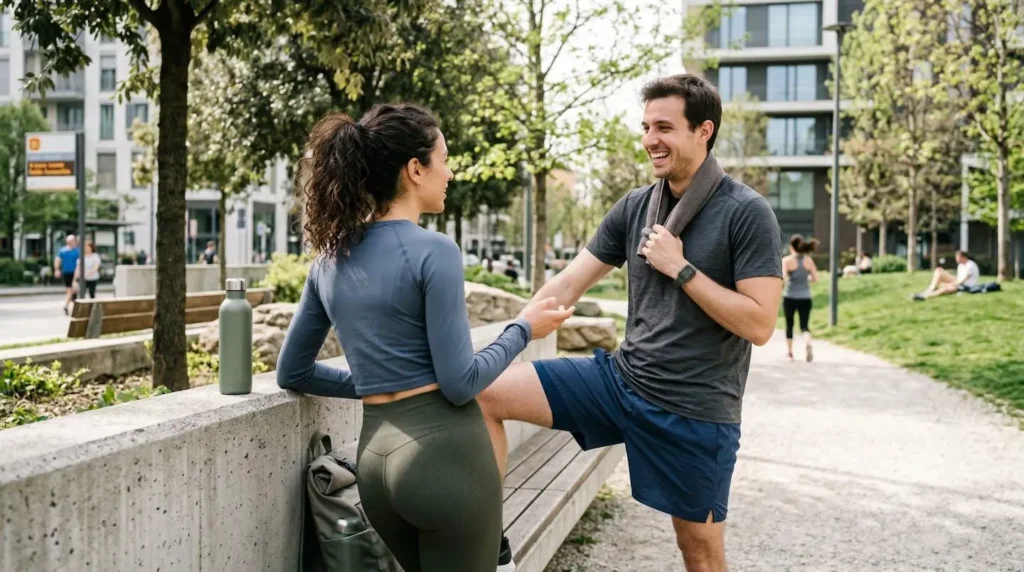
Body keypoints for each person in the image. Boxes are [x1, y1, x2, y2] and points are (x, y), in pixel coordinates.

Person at [476, 74, 783, 572]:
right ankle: (489, 553)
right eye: (645, 127)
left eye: (664, 127)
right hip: (620, 382)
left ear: (703, 131)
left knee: (700, 553)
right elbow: (568, 283)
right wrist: (510, 336)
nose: (649, 140)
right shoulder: (636, 206)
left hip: (694, 410)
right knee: (483, 392)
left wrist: (681, 268)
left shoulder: (746, 212)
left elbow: (760, 324)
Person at [275, 104, 574, 572]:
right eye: (444, 160)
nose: (450, 173)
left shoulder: (328, 262)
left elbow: (292, 371)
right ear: (415, 169)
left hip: (374, 466)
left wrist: (374, 384)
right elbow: (460, 382)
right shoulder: (435, 251)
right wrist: (523, 329)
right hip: (445, 459)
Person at [781, 234, 819, 362]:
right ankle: (808, 343)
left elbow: (783, 278)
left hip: (790, 297)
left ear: (791, 246)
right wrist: (804, 278)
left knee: (789, 325)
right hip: (805, 298)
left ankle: (790, 353)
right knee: (804, 326)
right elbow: (815, 279)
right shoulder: (809, 261)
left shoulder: (787, 260)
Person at [913, 250, 979, 300]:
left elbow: (963, 280)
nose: (956, 259)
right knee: (939, 270)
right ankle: (930, 289)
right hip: (958, 282)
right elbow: (958, 278)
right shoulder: (961, 265)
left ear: (963, 257)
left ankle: (925, 296)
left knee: (944, 289)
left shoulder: (970, 265)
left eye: (958, 257)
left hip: (966, 286)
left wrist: (950, 284)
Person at [54, 234, 80, 315]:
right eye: (70, 241)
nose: (72, 242)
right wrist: (57, 269)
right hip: (67, 273)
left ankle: (71, 306)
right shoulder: (63, 251)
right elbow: (57, 260)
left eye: (73, 240)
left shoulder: (77, 251)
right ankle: (68, 306)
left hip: (76, 273)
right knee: (71, 290)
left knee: (73, 290)